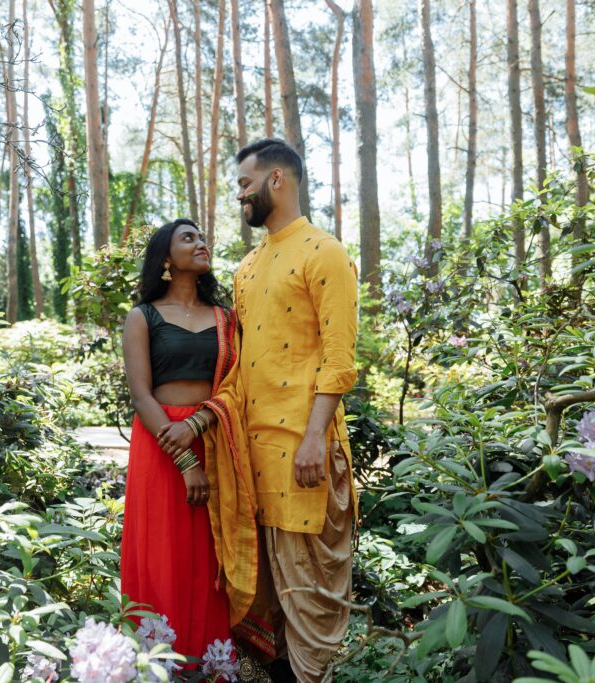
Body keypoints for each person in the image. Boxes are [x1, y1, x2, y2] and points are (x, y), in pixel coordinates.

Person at [160, 139, 359, 682]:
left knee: (309, 603)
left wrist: (316, 437)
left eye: (245, 184)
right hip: (250, 462)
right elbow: (242, 369)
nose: (239, 195)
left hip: (305, 456)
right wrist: (202, 420)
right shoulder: (248, 268)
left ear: (277, 181)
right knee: (268, 611)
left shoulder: (325, 253)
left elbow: (339, 360)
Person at [119, 218, 236, 662]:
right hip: (161, 444)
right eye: (188, 237)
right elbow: (140, 395)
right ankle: (157, 662)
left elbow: (236, 386)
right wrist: (187, 463)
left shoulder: (226, 319)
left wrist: (201, 427)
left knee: (209, 557)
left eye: (203, 236)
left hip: (213, 437)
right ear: (166, 259)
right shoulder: (143, 316)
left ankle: (212, 663)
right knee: (162, 553)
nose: (201, 242)